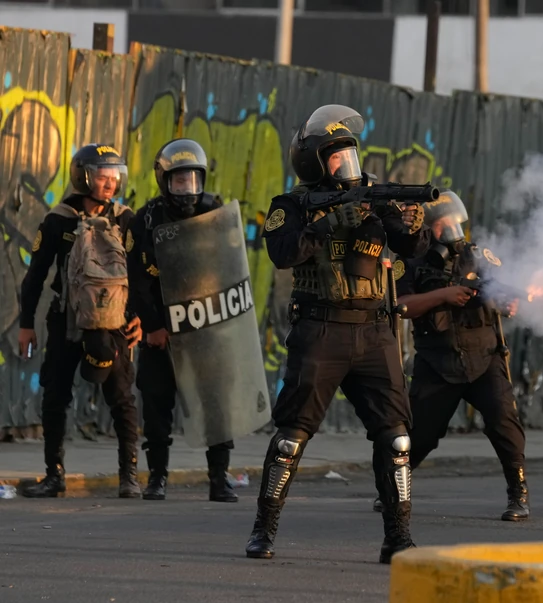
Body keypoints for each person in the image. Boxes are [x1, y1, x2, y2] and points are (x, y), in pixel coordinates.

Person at [245, 104, 430, 564]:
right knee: (291, 437)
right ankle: (263, 530)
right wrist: (328, 224)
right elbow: (283, 253)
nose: (345, 163)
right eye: (334, 155)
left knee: (397, 438)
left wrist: (409, 224)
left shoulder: (371, 197)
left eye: (349, 152)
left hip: (374, 330)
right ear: (310, 160)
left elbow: (412, 250)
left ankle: (398, 539)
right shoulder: (290, 206)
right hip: (320, 330)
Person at [373, 191, 529, 521]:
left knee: (504, 422)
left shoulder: (480, 256)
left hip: (484, 357)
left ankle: (518, 493)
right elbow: (401, 306)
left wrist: (508, 302)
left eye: (452, 223)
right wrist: (445, 295)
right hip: (438, 362)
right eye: (441, 224)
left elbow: (505, 291)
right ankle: (393, 489)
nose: (449, 230)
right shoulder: (410, 261)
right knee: (420, 435)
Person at [18, 144, 143, 498]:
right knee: (55, 395)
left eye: (114, 176)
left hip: (115, 323)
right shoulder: (58, 219)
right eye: (101, 176)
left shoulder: (125, 219)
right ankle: (54, 475)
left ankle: (128, 477)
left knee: (121, 399)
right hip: (66, 321)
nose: (109, 183)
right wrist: (26, 323)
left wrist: (141, 320)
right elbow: (36, 274)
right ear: (83, 177)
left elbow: (143, 277)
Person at [125, 138, 238, 503]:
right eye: (178, 181)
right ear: (163, 180)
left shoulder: (213, 212)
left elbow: (231, 267)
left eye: (192, 180)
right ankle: (157, 477)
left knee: (215, 405)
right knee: (157, 405)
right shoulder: (146, 219)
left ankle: (219, 478)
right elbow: (138, 281)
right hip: (163, 332)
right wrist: (153, 325)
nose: (186, 188)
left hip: (206, 327)